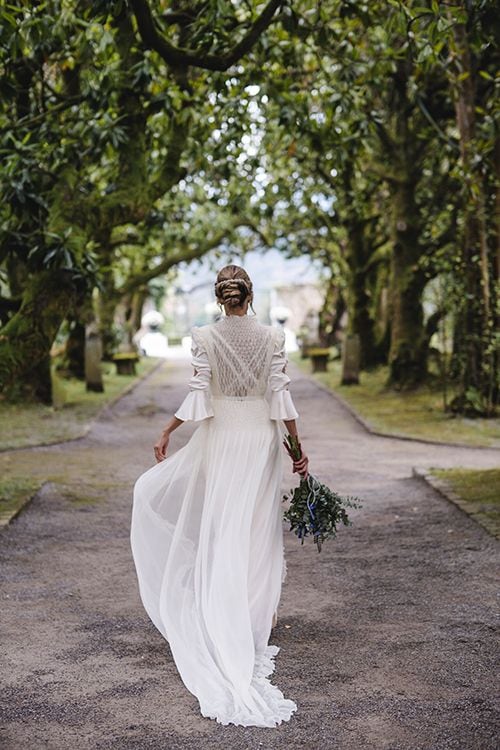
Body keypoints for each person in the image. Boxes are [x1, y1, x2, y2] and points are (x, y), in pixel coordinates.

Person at [130, 264, 308, 727]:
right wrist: (297, 450)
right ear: (250, 296)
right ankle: (252, 619)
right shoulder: (272, 337)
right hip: (260, 438)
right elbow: (280, 398)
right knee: (255, 525)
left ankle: (220, 611)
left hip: (221, 436)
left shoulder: (204, 338)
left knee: (221, 521)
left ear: (220, 298)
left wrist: (166, 431)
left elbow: (197, 395)